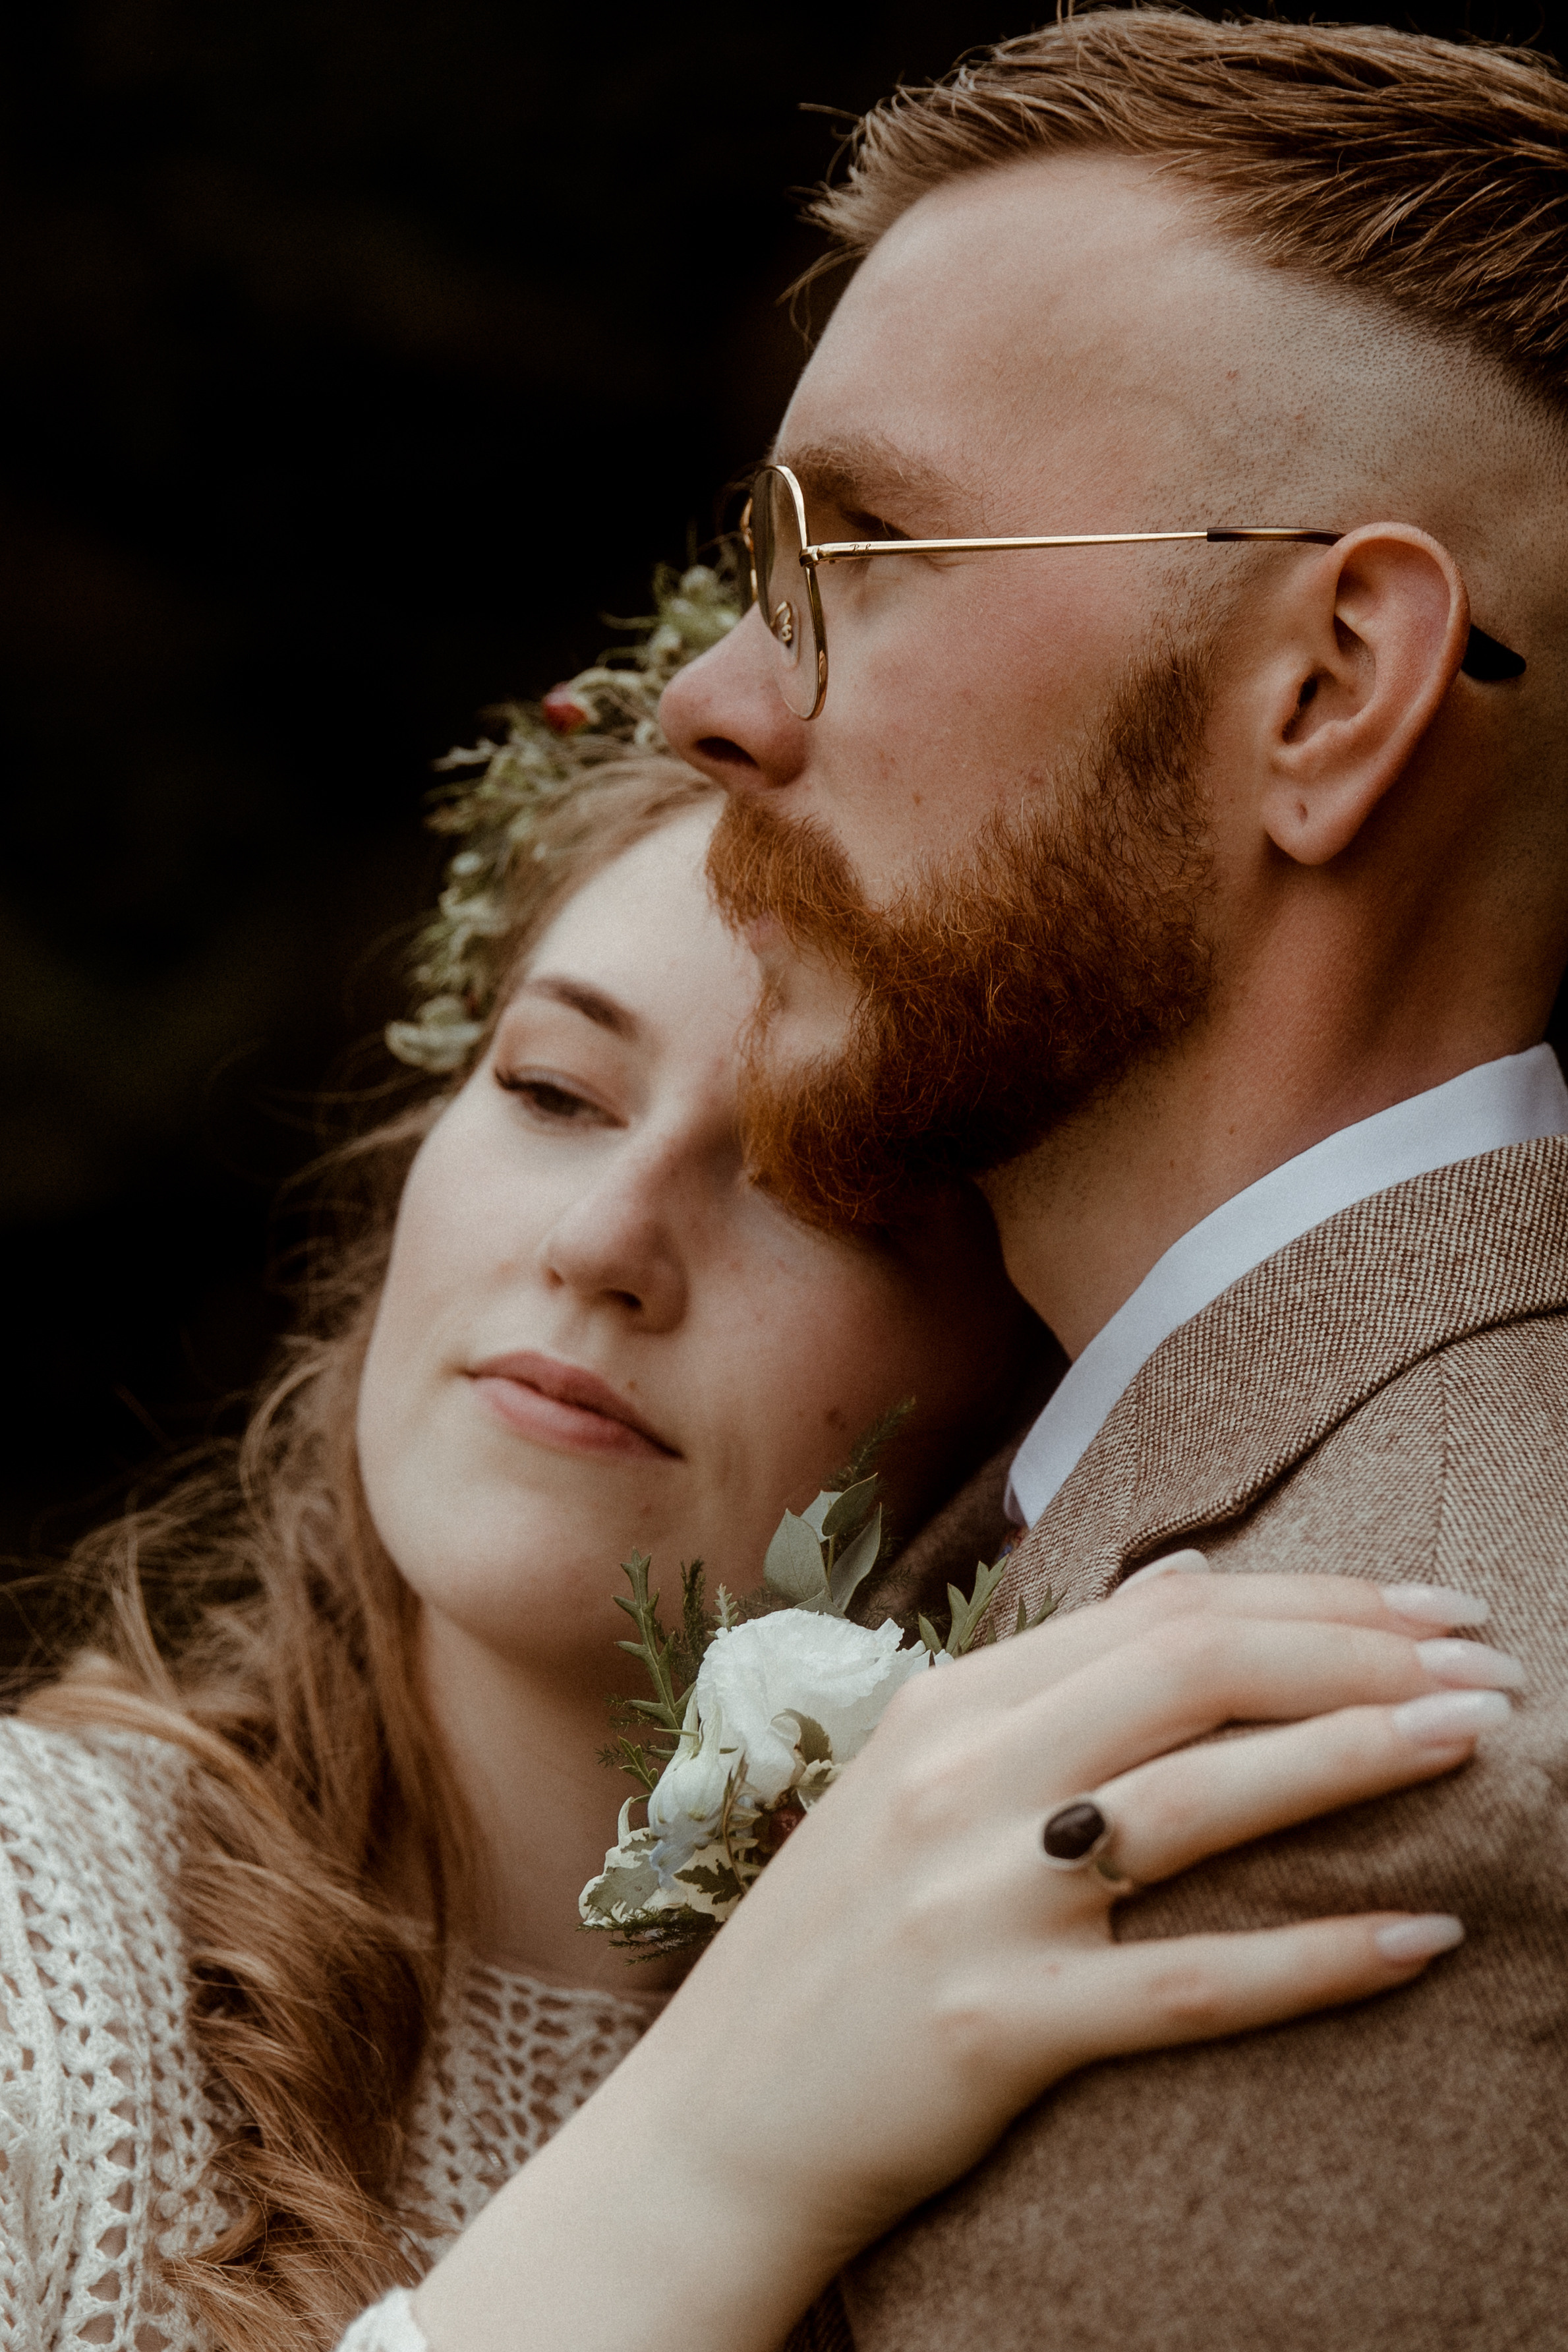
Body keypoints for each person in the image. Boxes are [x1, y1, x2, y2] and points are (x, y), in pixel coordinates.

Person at [0, 739, 1515, 2352]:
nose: (600, 1245)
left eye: (813, 1180)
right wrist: (709, 2162)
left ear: (1016, 1361)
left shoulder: (1076, 2065)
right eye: (551, 1092)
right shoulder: (37, 1950)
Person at [657, 10, 1568, 2350]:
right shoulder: (1045, 1501)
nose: (715, 703)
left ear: (1330, 685)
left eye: (866, 545)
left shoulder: (1351, 1790)